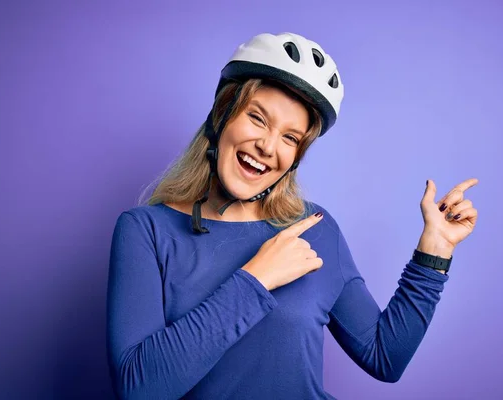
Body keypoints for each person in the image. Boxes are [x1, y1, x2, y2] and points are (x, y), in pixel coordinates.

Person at [106, 32, 479, 400]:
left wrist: (436, 251)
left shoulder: (314, 228)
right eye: (257, 118)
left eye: (290, 138)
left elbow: (385, 357)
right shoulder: (146, 231)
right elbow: (139, 389)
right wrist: (255, 279)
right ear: (222, 115)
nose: (267, 147)